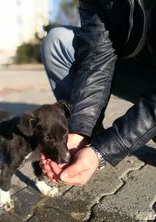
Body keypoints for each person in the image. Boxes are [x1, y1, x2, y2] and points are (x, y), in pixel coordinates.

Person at [40, 0, 156, 186]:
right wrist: (80, 132)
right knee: (58, 42)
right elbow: (97, 55)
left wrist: (108, 148)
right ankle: (89, 148)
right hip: (141, 72)